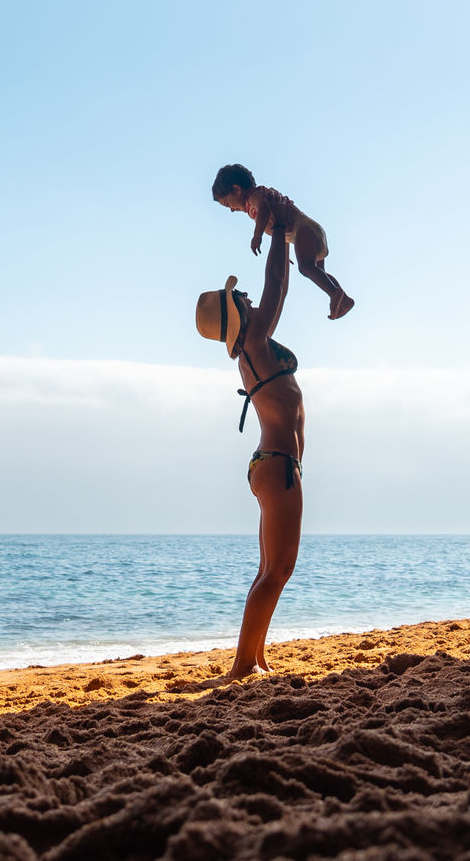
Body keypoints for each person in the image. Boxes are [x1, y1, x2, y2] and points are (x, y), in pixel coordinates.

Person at [195, 229, 303, 681]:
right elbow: (276, 287)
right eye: (240, 297)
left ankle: (255, 657)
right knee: (278, 570)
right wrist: (279, 233)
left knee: (269, 569)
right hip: (277, 465)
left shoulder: (250, 348)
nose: (247, 297)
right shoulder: (255, 342)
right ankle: (241, 666)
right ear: (236, 313)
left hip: (272, 464)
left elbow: (273, 291)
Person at [211, 163, 355, 320]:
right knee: (318, 272)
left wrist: (257, 235)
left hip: (304, 229)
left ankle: (335, 293)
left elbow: (265, 209)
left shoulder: (255, 195)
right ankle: (343, 299)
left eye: (227, 203)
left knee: (306, 267)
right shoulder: (257, 199)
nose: (231, 209)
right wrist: (286, 249)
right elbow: (278, 222)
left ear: (236, 189)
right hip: (307, 234)